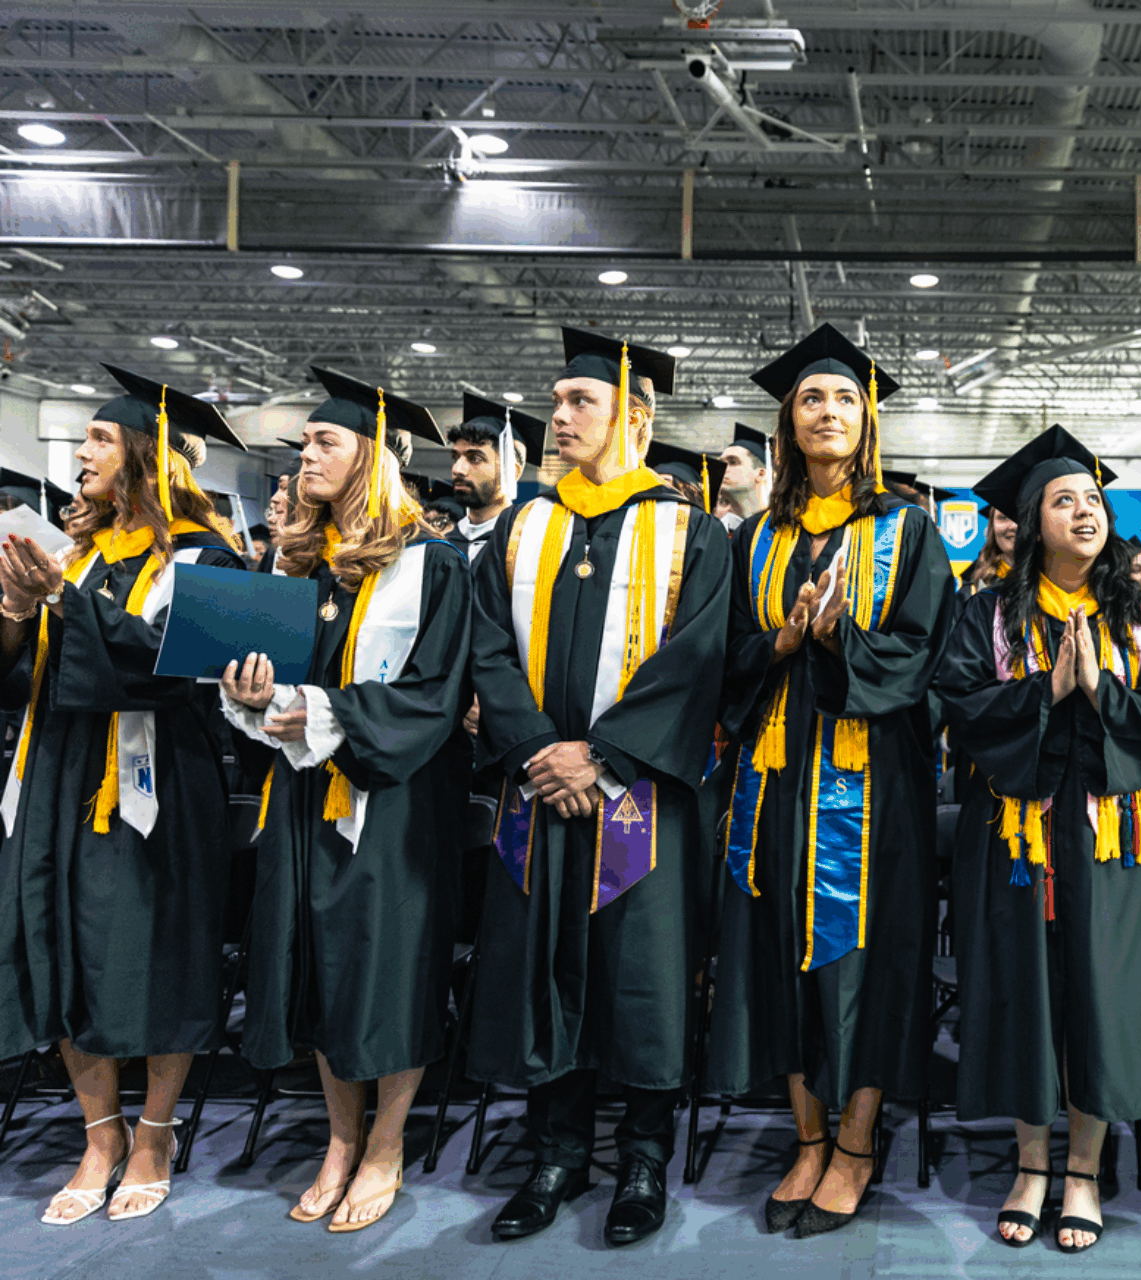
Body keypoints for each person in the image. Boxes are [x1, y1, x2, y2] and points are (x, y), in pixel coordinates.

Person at [465, 328, 729, 1246]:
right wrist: (539, 749)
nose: (560, 416)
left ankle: (644, 1157)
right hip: (538, 793)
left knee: (642, 974)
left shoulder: (689, 531)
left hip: (637, 798)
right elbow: (486, 648)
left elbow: (696, 661)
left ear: (637, 421)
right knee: (544, 964)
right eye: (556, 401)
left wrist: (602, 756)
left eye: (581, 401)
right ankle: (556, 1152)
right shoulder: (521, 525)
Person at [710, 322, 954, 1238]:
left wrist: (840, 640)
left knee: (868, 957)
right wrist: (782, 639)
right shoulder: (755, 538)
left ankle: (856, 1143)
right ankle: (807, 1139)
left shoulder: (908, 531)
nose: (827, 410)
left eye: (846, 397)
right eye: (810, 397)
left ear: (867, 422)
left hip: (871, 782)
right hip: (774, 779)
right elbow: (721, 654)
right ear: (788, 423)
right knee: (779, 945)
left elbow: (927, 657)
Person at [219, 368, 470, 1233]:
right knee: (322, 968)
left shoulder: (435, 565)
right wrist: (256, 700)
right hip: (303, 794)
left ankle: (387, 1143)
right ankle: (339, 1139)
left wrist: (323, 713)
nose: (307, 456)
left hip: (394, 803)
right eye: (304, 444)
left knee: (388, 971)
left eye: (326, 441)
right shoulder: (298, 564)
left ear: (373, 456)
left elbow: (436, 697)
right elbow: (271, 688)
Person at [935, 426, 1141, 1253]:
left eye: (1092, 500)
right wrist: (1045, 692)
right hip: (1015, 840)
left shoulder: (1140, 618)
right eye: (1063, 501)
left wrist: (1102, 691)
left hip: (1115, 842)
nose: (1085, 512)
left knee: (1098, 995)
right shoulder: (988, 615)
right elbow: (961, 708)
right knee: (1026, 994)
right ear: (1030, 523)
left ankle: (1082, 1171)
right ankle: (1030, 1165)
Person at [0, 365, 246, 1225]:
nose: (81, 453)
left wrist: (63, 602)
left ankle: (154, 1134)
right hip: (59, 771)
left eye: (100, 438)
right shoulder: (76, 554)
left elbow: (173, 666)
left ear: (147, 454)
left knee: (159, 951)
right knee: (63, 943)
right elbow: (22, 678)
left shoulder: (208, 555)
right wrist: (16, 611)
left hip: (158, 781)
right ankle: (99, 1136)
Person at [447, 393, 546, 561]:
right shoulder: (444, 542)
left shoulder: (531, 544)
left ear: (512, 472)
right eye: (456, 457)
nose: (458, 469)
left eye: (475, 458)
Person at [720, 423, 771, 527]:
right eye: (721, 463)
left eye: (733, 462)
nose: (722, 468)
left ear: (761, 474)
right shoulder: (715, 529)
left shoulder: (781, 528)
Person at [961, 505, 1017, 597]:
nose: (1014, 526)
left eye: (1022, 516)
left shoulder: (1043, 585)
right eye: (1003, 518)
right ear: (991, 528)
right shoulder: (973, 590)